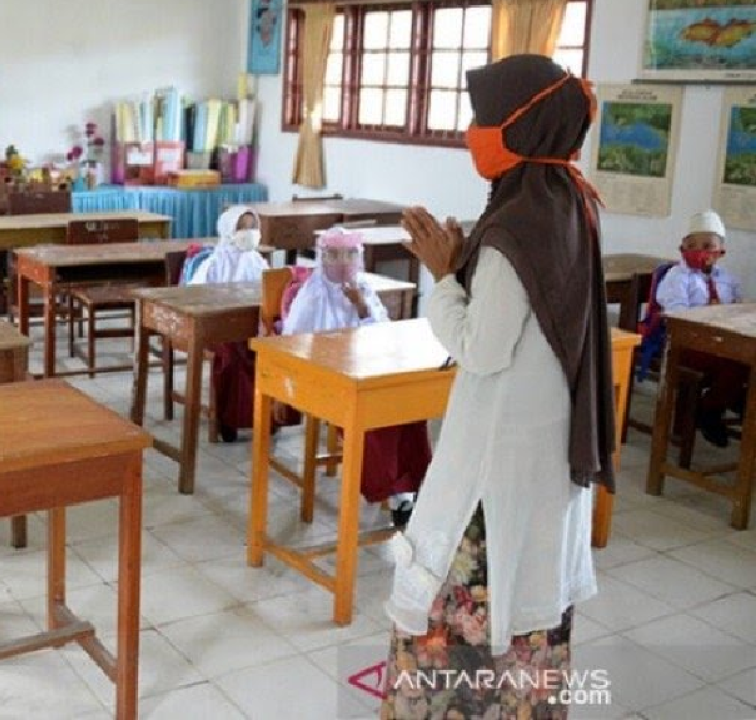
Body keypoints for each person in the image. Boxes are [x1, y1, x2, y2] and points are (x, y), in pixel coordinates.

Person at [382, 55, 614, 717]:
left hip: (498, 472)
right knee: (530, 619)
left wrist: (443, 276)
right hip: (543, 457)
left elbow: (481, 349)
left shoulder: (515, 230)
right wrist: (463, 269)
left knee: (463, 626)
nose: (472, 132)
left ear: (521, 128)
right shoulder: (569, 202)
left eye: (484, 119)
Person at [281, 227, 431, 526]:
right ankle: (386, 486)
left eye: (350, 254)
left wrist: (360, 306)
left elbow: (382, 330)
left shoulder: (362, 288)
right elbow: (292, 342)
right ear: (323, 258)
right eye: (334, 255)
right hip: (332, 379)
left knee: (409, 410)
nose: (343, 262)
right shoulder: (312, 294)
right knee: (377, 419)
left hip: (367, 368)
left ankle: (409, 487)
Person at [655, 210, 746, 447]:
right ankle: (709, 410)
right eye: (692, 245)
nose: (699, 251)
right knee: (735, 365)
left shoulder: (727, 279)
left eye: (708, 245)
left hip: (719, 344)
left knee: (746, 360)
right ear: (682, 248)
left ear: (720, 252)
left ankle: (729, 401)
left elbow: (737, 306)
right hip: (687, 346)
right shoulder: (678, 277)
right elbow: (677, 316)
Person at [188, 206, 268, 442]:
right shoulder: (214, 263)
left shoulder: (257, 261)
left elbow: (270, 294)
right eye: (242, 228)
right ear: (228, 230)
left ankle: (269, 417)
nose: (249, 233)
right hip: (220, 331)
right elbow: (195, 299)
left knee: (274, 354)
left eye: (253, 227)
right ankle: (230, 419)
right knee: (232, 356)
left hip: (252, 326)